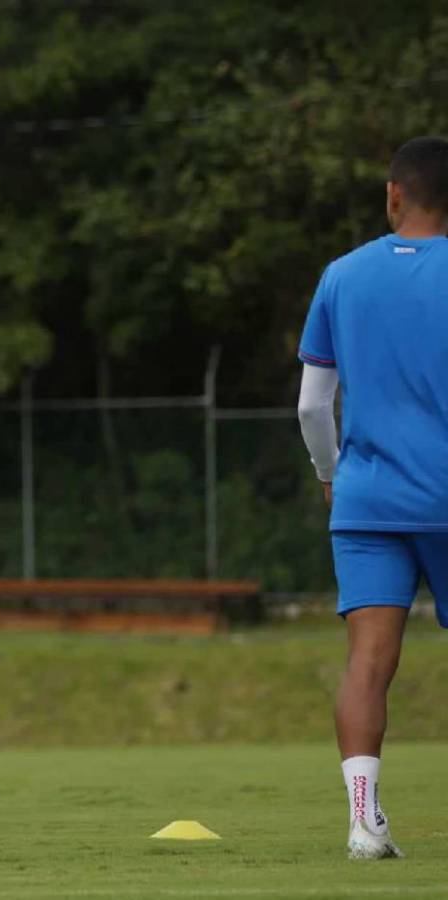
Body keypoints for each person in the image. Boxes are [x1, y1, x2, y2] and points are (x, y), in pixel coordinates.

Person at [297, 135, 448, 860]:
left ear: (394, 193)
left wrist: (330, 472)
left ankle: (363, 821)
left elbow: (311, 405)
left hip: (366, 499)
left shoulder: (340, 276)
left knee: (368, 662)